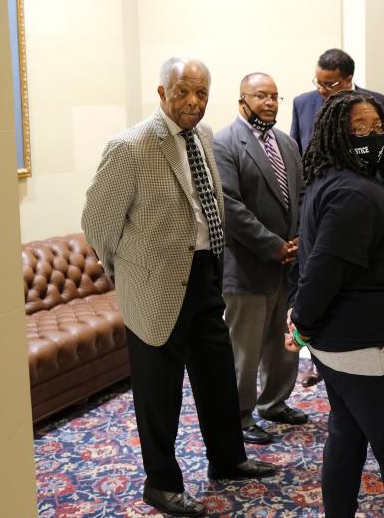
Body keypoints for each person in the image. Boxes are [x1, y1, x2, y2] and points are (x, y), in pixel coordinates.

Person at [82, 57, 276, 517]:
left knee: (217, 377)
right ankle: (161, 483)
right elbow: (97, 223)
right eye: (184, 91)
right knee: (159, 393)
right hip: (153, 289)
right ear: (162, 92)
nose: (193, 102)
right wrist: (128, 275)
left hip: (207, 273)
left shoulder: (204, 136)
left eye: (202, 93)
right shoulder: (130, 146)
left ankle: (227, 459)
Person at [285, 90, 384, 516]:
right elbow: (323, 270)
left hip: (349, 343)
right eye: (358, 129)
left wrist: (302, 320)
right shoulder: (354, 195)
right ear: (334, 135)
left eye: (377, 127)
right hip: (370, 348)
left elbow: (318, 263)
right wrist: (300, 324)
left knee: (346, 436)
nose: (371, 136)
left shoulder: (340, 184)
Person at [289, 47, 384, 387]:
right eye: (319, 83)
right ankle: (318, 356)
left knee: (345, 280)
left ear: (348, 80)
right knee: (319, 274)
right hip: (320, 203)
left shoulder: (375, 102)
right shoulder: (302, 103)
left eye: (330, 84)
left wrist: (367, 191)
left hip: (359, 207)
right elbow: (301, 157)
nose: (323, 91)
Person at [214, 72, 307, 446]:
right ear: (242, 99)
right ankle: (240, 415)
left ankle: (275, 403)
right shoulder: (224, 142)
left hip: (287, 265)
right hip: (248, 266)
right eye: (260, 96)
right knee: (245, 349)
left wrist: (298, 238)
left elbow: (298, 196)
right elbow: (228, 205)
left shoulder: (287, 142)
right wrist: (273, 245)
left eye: (274, 97)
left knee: (282, 342)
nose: (269, 103)